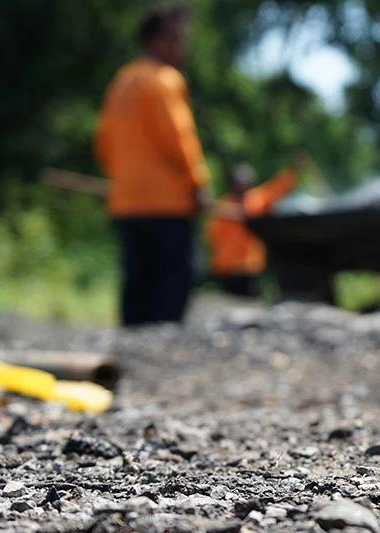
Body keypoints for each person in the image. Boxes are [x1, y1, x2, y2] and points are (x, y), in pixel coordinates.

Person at [94, 4, 210, 327]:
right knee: (174, 279)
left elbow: (103, 142)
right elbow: (179, 139)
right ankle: (162, 353)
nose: (183, 46)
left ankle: (130, 351)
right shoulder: (165, 80)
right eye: (176, 38)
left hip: (126, 201)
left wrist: (123, 178)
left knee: (137, 281)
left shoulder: (121, 81)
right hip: (166, 204)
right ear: (156, 40)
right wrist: (197, 184)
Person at [205, 153, 309, 297]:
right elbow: (211, 235)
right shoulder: (222, 205)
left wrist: (294, 170)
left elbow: (278, 187)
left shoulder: (257, 199)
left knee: (250, 303)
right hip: (227, 268)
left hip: (250, 266)